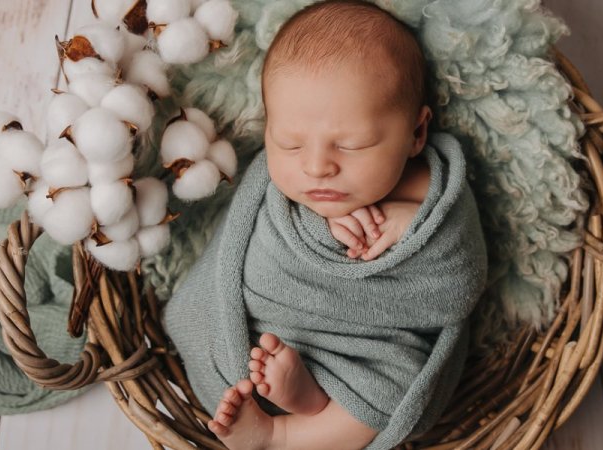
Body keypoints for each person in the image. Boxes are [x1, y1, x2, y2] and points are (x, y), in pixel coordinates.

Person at [172, 1, 486, 448]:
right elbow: (249, 244)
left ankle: (281, 434)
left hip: (373, 350)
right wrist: (316, 222)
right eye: (290, 143)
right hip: (276, 321)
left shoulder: (434, 192)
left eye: (353, 145)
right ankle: (304, 396)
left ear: (416, 133)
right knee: (244, 338)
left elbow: (460, 285)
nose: (317, 167)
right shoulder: (285, 186)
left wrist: (416, 226)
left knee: (400, 388)